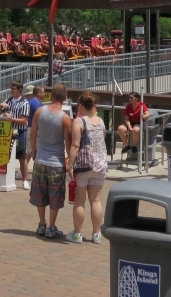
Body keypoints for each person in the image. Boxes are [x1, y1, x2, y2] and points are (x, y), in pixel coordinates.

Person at [29, 83, 71, 239]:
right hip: (56, 162)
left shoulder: (40, 112)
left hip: (40, 159)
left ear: (51, 96)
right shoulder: (65, 118)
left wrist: (34, 151)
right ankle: (51, 227)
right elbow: (68, 142)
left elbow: (33, 134)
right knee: (55, 196)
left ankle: (41, 223)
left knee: (40, 194)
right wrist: (69, 159)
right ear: (65, 98)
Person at [66, 91, 109, 243]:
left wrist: (70, 165)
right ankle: (97, 234)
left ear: (80, 106)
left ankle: (77, 234)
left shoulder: (79, 121)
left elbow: (75, 144)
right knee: (96, 200)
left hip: (84, 165)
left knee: (80, 200)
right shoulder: (101, 121)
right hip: (100, 164)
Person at [0, 80, 32, 190]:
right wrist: (0, 106)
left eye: (13, 88)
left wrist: (10, 119)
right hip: (8, 132)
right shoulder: (8, 101)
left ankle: (25, 180)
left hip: (20, 132)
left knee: (22, 157)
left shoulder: (25, 103)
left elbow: (24, 121)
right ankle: (7, 177)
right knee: (7, 156)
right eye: (10, 88)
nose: (11, 90)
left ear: (20, 90)